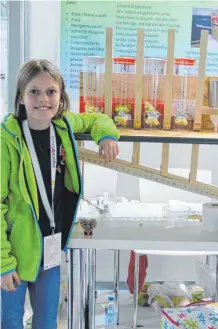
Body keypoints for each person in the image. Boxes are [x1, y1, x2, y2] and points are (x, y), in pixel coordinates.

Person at [1, 59, 120, 329]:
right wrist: (3, 263)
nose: (43, 99)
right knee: (10, 321)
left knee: (46, 322)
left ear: (60, 96)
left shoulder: (63, 126)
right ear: (21, 96)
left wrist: (106, 137)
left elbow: (98, 118)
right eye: (34, 91)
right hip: (15, 251)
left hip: (51, 247)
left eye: (51, 92)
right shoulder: (6, 139)